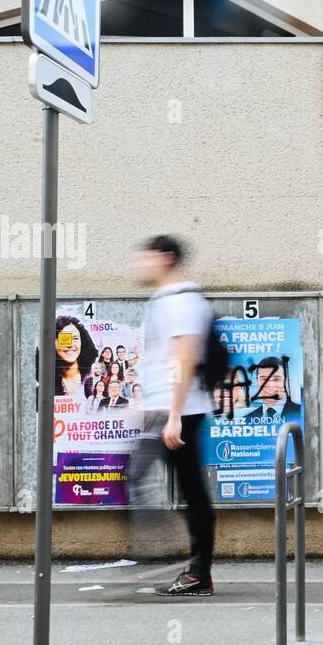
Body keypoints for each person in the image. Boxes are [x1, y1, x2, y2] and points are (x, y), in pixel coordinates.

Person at [128, 234, 216, 597]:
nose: (139, 264)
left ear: (165, 258)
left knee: (187, 489)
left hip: (181, 410)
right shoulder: (168, 299)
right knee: (180, 486)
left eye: (145, 257)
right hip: (169, 409)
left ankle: (191, 565)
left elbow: (184, 357)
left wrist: (175, 415)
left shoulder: (180, 301)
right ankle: (187, 561)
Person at [240, 356, 302, 424]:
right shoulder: (246, 420)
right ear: (257, 381)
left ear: (286, 381)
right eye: (264, 379)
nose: (270, 385)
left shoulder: (301, 413)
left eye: (276, 379)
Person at [54, 315, 97, 399]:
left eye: (75, 338)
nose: (70, 345)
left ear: (82, 341)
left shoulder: (92, 376)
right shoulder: (47, 385)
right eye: (64, 339)